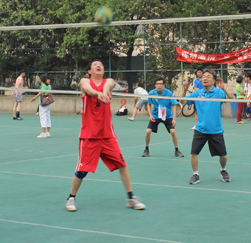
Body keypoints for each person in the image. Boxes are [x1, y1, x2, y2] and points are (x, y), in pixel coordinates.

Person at [66, 60, 145, 212]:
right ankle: (71, 198)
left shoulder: (108, 81)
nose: (98, 66)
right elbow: (87, 89)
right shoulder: (85, 81)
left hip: (108, 136)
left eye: (101, 65)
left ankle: (131, 198)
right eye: (95, 64)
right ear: (89, 71)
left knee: (122, 165)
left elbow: (108, 85)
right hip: (89, 136)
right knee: (82, 170)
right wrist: (98, 94)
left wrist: (103, 92)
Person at [183, 69, 235, 184]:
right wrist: (185, 89)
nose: (205, 78)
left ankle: (223, 170)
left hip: (216, 130)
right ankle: (195, 174)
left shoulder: (219, 92)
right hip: (200, 129)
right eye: (203, 77)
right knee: (194, 153)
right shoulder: (197, 93)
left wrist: (224, 88)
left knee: (223, 155)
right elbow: (182, 101)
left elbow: (233, 99)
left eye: (208, 76)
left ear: (214, 81)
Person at [142, 78, 183, 157]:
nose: (159, 85)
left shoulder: (169, 93)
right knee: (148, 132)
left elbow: (174, 105)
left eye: (161, 84)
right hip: (156, 115)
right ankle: (146, 149)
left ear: (164, 85)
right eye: (157, 84)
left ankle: (177, 151)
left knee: (173, 132)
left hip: (167, 116)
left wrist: (174, 119)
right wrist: (150, 115)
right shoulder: (151, 93)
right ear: (155, 85)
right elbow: (149, 104)